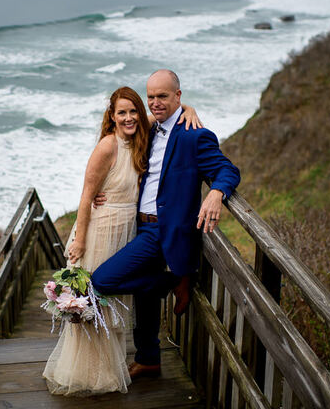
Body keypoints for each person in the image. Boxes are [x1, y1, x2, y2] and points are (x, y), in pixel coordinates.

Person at [42, 85, 201, 396]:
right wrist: (80, 242)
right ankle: (92, 374)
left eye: (132, 112)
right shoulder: (107, 146)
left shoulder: (143, 135)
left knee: (111, 302)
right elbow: (87, 196)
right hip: (101, 230)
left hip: (127, 229)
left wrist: (190, 110)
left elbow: (168, 112)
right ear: (111, 117)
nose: (128, 118)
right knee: (95, 295)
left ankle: (115, 366)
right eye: (121, 113)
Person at [91, 69, 240, 380]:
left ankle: (172, 282)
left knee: (102, 281)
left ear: (178, 96)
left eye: (163, 96)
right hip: (138, 225)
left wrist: (216, 192)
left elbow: (227, 169)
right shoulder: (148, 128)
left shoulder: (194, 135)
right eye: (151, 97)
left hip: (163, 231)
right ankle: (148, 359)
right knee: (143, 295)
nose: (155, 102)